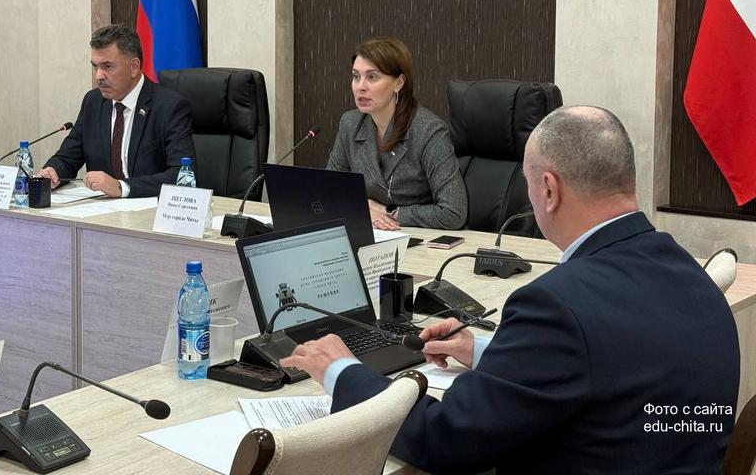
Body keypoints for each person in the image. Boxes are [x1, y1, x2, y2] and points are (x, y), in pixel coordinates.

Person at [282, 106, 740, 474]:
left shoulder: (556, 304)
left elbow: (442, 441)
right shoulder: (690, 275)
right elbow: (615, 357)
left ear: (548, 189)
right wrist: (488, 351)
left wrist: (342, 371)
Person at [38, 24, 196, 199]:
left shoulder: (169, 107)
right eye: (95, 66)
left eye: (107, 67)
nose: (98, 76)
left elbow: (182, 175)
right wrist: (52, 171)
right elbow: (68, 158)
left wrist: (122, 187)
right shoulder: (93, 102)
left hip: (149, 210)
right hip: (102, 210)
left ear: (134, 67)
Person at [326, 36, 467, 230]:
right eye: (356, 76)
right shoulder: (350, 124)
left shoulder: (428, 131)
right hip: (372, 233)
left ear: (398, 82)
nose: (360, 86)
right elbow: (330, 192)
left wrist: (390, 212)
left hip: (420, 237)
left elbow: (454, 212)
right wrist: (361, 209)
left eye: (372, 77)